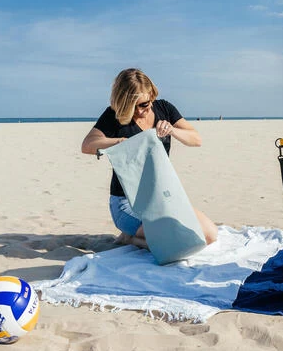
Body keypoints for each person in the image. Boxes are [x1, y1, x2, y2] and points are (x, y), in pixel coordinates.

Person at [81, 68, 219, 248]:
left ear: (152, 95)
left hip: (163, 197)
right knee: (178, 241)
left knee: (209, 235)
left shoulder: (164, 109)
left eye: (145, 104)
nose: (140, 111)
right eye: (133, 107)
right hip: (127, 203)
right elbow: (87, 145)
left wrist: (172, 130)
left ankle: (134, 237)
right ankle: (130, 238)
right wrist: (120, 142)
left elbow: (196, 139)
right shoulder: (114, 116)